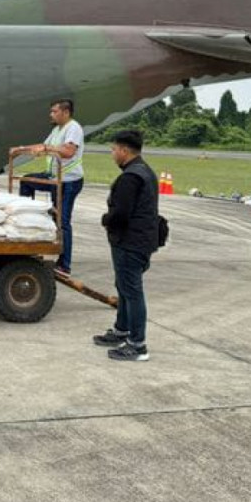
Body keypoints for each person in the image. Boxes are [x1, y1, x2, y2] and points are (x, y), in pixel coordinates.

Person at [93, 130, 159, 362]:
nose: (112, 154)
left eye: (113, 149)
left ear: (123, 150)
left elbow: (121, 214)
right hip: (139, 240)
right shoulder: (145, 171)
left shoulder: (130, 177)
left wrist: (105, 220)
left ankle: (137, 344)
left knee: (132, 291)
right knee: (123, 286)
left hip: (131, 242)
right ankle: (122, 330)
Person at [10, 98, 84, 278]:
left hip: (69, 180)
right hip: (54, 177)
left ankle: (64, 265)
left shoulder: (73, 128)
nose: (51, 114)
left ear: (65, 112)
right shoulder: (57, 130)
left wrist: (47, 147)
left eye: (54, 111)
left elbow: (68, 152)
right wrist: (20, 149)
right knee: (27, 181)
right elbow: (41, 146)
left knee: (62, 221)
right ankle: (29, 222)